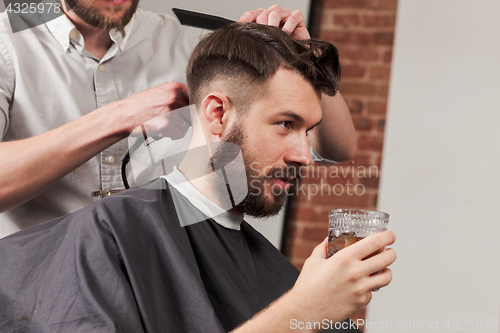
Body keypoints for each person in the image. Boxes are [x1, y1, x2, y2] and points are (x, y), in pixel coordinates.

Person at [0, 22, 396, 332]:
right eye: (284, 124)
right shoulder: (113, 235)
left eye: (308, 131)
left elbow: (342, 148)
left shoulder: (288, 276)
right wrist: (303, 310)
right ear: (217, 115)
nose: (304, 157)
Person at [0, 1, 356, 238]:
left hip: (160, 278)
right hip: (36, 283)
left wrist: (304, 63)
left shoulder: (190, 40)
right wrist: (119, 117)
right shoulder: (8, 43)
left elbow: (336, 147)